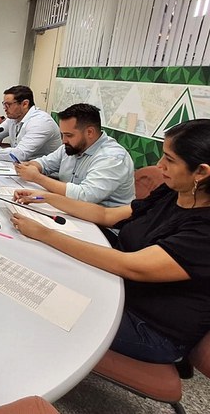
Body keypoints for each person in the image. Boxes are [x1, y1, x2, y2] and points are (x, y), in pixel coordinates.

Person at [11, 119, 210, 364]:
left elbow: (131, 265)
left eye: (169, 159)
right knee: (42, 271)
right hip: (117, 287)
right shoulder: (174, 191)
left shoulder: (204, 230)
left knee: (37, 300)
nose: (160, 166)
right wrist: (46, 197)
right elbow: (107, 215)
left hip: (150, 328)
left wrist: (45, 234)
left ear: (201, 172)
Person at [15, 103, 135, 207]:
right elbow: (45, 163)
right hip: (72, 210)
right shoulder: (71, 147)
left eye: (69, 135)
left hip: (102, 223)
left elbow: (85, 196)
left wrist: (37, 177)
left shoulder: (112, 157)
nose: (64, 140)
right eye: (62, 134)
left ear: (90, 132)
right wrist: (32, 166)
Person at [0, 85, 61, 161]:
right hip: (22, 166)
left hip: (44, 173)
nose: (5, 108)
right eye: (4, 104)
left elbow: (20, 154)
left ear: (25, 104)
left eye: (8, 105)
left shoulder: (40, 122)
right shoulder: (13, 118)